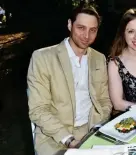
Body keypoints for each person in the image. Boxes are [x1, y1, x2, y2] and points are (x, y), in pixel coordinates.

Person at [27, 4, 112, 155]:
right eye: (81, 28)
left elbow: (104, 100)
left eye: (93, 30)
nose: (87, 36)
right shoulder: (42, 58)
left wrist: (97, 128)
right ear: (69, 24)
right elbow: (38, 110)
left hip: (91, 131)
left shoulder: (99, 59)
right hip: (54, 137)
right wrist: (68, 140)